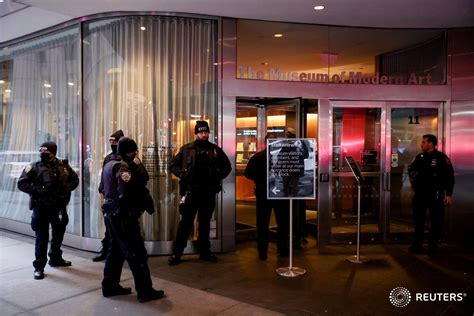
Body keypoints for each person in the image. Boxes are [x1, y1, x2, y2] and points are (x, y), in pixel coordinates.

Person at [101, 137, 163, 302]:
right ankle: (145, 290)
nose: (135, 153)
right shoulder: (123, 167)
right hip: (123, 216)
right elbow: (126, 193)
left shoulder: (108, 163)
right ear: (129, 151)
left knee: (115, 252)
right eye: (134, 150)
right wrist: (134, 209)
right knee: (137, 253)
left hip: (112, 214)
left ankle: (110, 286)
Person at [168, 120, 231, 265]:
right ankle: (177, 254)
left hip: (208, 193)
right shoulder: (186, 149)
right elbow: (173, 165)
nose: (204, 134)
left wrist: (217, 176)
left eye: (206, 132)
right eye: (201, 132)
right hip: (191, 192)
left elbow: (227, 167)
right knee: (185, 224)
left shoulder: (215, 150)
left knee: (204, 224)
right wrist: (182, 174)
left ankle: (205, 252)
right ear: (196, 133)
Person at [17, 141, 79, 280]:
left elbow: (75, 179)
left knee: (58, 234)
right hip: (41, 207)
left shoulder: (63, 166)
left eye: (47, 153)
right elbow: (22, 183)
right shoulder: (34, 167)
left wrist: (66, 188)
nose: (43, 155)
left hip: (59, 207)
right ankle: (39, 267)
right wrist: (38, 191)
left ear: (53, 153)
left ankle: (55, 258)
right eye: (42, 152)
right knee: (42, 238)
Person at [408, 134, 454, 257]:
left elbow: (450, 177)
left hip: (435, 194)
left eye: (424, 142)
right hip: (420, 194)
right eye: (422, 142)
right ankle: (417, 245)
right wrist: (415, 184)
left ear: (431, 143)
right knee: (419, 221)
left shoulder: (442, 158)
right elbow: (411, 171)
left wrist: (448, 194)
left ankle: (432, 246)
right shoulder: (419, 157)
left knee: (436, 221)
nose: (421, 144)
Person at [245, 133, 289, 260]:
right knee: (283, 223)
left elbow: (248, 174)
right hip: (280, 193)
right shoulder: (284, 157)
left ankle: (262, 252)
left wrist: (259, 179)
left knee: (262, 223)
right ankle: (283, 249)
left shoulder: (257, 157)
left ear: (265, 143)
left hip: (263, 192)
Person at [93, 129, 124, 262]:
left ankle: (121, 252)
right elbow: (104, 177)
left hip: (122, 199)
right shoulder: (109, 157)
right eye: (110, 141)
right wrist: (102, 188)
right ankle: (106, 250)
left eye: (115, 141)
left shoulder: (125, 157)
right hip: (109, 198)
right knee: (109, 227)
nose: (112, 143)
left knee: (122, 227)